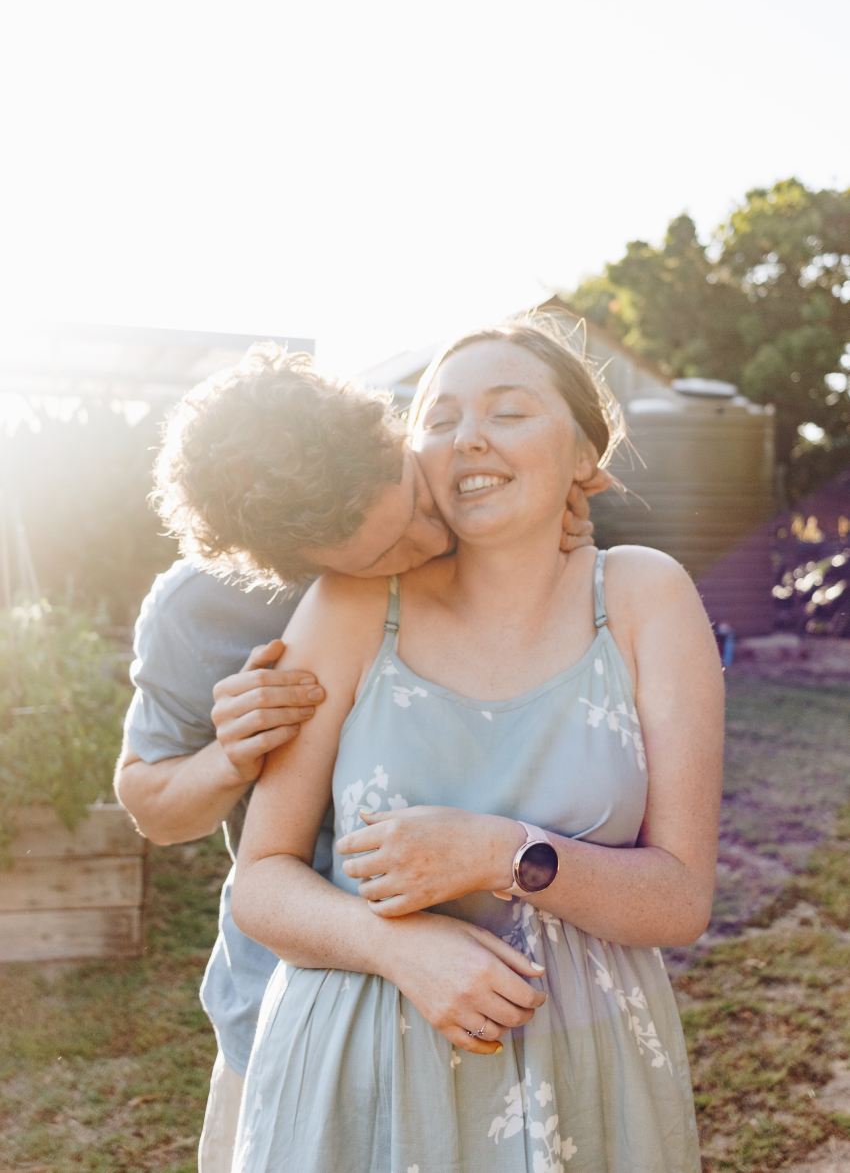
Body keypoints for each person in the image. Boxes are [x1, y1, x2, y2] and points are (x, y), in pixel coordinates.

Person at [228, 318, 724, 1172]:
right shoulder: (352, 603)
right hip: (360, 1074)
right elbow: (260, 882)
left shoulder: (645, 596)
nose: (469, 439)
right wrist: (396, 944)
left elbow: (680, 900)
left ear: (582, 455)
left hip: (584, 1076)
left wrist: (502, 852)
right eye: (440, 417)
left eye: (509, 411)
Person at [115, 342, 606, 1173]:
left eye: (415, 500)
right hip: (292, 1003)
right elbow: (151, 804)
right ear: (287, 569)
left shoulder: (464, 502)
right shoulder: (195, 611)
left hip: (507, 1007)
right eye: (382, 555)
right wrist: (232, 755)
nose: (426, 537)